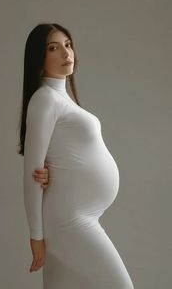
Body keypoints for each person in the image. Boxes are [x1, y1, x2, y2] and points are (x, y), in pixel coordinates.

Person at [18, 23, 135, 288]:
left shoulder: (62, 98)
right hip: (70, 220)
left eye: (68, 45)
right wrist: (36, 235)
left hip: (76, 215)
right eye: (53, 48)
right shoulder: (46, 98)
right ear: (39, 57)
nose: (65, 53)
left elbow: (54, 158)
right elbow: (31, 173)